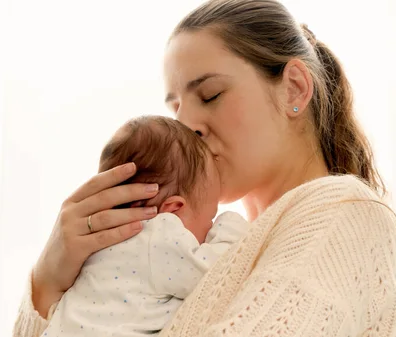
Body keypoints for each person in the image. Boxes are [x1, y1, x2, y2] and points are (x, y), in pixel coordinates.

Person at [13, 0, 396, 336]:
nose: (187, 125)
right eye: (175, 108)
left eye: (211, 94)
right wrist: (48, 281)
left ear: (294, 89)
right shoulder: (214, 250)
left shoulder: (343, 214)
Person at [41, 116, 248, 336]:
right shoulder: (157, 234)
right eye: (211, 218)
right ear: (173, 208)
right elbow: (216, 271)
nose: (211, 229)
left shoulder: (96, 241)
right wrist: (231, 224)